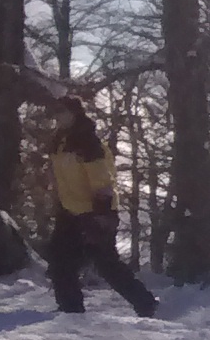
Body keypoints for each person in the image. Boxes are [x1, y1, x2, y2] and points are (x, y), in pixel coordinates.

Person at [44, 96, 157, 318]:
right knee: (60, 260)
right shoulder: (60, 142)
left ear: (74, 114)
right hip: (70, 210)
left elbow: (102, 181)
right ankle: (70, 309)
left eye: (62, 112)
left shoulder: (87, 143)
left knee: (106, 265)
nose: (58, 116)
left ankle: (146, 303)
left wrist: (102, 215)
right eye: (56, 112)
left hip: (94, 212)